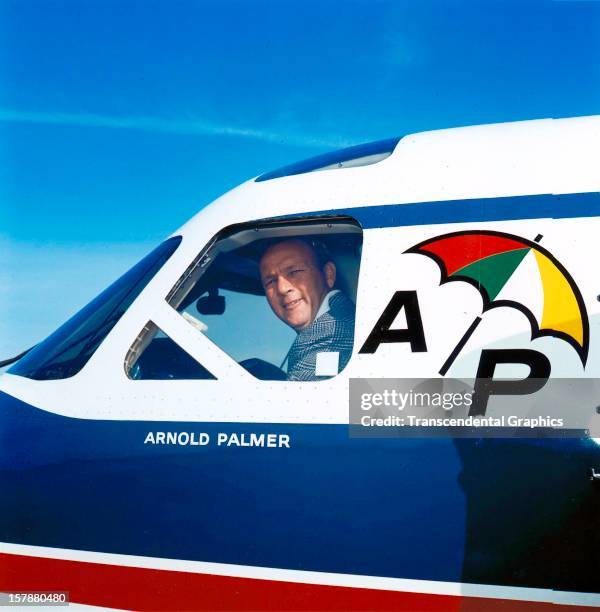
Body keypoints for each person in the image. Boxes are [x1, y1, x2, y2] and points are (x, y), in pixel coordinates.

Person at [259, 239, 355, 381]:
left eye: (294, 271)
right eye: (270, 281)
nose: (282, 288)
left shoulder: (330, 338)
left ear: (329, 274)